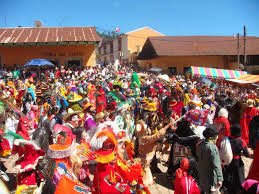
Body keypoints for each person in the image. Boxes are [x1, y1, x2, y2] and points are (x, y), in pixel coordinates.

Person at [223, 125, 252, 193]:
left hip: (228, 160)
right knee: (240, 176)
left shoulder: (227, 140)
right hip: (237, 161)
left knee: (228, 175)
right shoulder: (241, 141)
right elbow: (247, 154)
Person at [196, 124, 223, 193]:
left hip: (200, 172)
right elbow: (216, 164)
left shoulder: (200, 144)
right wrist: (219, 178)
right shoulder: (213, 148)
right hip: (209, 175)